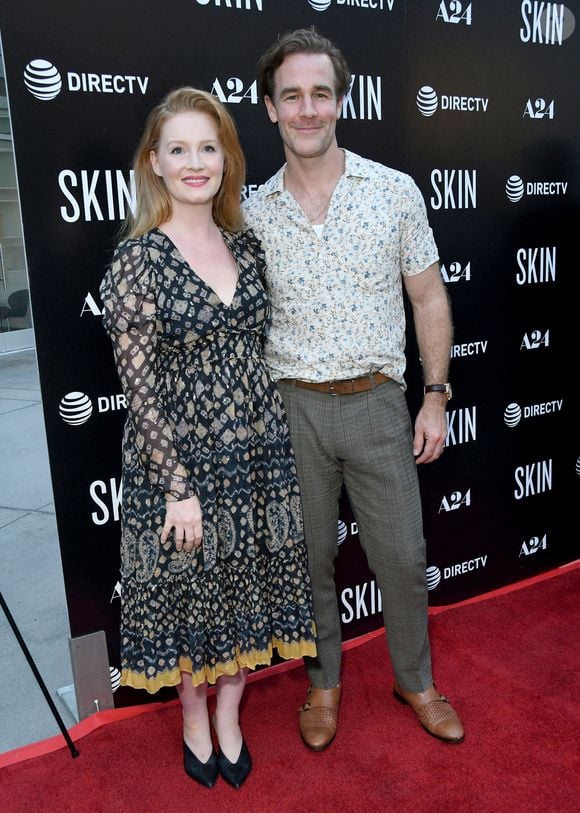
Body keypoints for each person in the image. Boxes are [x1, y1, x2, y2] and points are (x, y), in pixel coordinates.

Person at [242, 28, 465, 751]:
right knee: (309, 558)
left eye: (320, 93)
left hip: (375, 401)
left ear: (340, 100)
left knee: (401, 553)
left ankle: (415, 678)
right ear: (270, 108)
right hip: (291, 409)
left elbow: (429, 298)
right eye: (291, 96)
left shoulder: (392, 190)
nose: (307, 109)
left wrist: (435, 395)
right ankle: (324, 682)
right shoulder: (249, 212)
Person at [99, 86, 317, 789]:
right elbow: (141, 388)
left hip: (256, 453)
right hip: (181, 468)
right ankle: (195, 714)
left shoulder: (246, 245)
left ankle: (231, 712)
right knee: (191, 595)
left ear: (226, 157)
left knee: (247, 588)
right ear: (154, 164)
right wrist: (177, 489)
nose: (196, 162)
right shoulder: (139, 260)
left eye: (208, 146)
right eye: (179, 149)